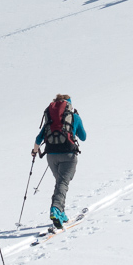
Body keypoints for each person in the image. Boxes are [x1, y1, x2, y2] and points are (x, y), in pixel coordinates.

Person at [31, 93, 87, 227]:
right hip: (68, 155)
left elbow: (38, 139)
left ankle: (60, 212)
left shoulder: (49, 119)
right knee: (62, 183)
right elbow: (83, 137)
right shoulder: (74, 117)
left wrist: (34, 151)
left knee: (60, 184)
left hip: (51, 156)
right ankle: (56, 209)